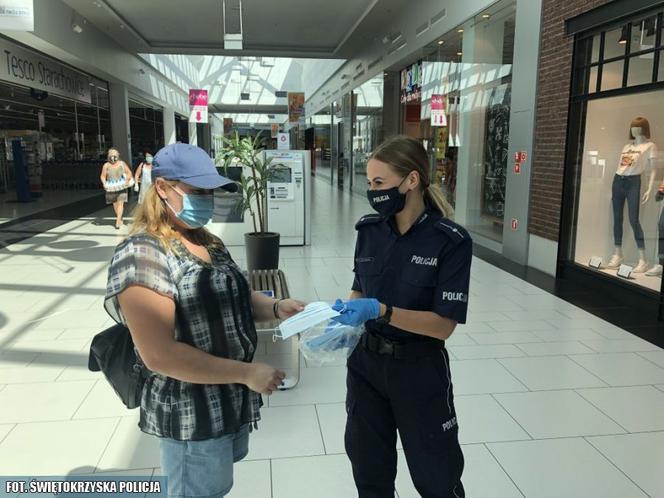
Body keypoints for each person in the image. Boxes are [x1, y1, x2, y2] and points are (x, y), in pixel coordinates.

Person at [103, 143, 305, 498]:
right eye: (198, 192)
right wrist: (246, 372)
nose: (207, 201)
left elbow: (235, 297)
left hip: (227, 399)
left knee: (216, 485)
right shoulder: (142, 254)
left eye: (211, 192)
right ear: (162, 187)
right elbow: (160, 355)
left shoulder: (206, 241)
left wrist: (276, 308)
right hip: (190, 411)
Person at [332, 135, 472, 498]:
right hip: (365, 367)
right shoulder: (369, 230)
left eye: (379, 183)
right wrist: (347, 319)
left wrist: (383, 311)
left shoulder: (450, 241)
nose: (372, 191)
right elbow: (360, 288)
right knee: (369, 471)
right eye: (369, 183)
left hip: (419, 371)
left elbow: (444, 325)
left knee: (436, 476)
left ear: (411, 180)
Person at [100, 148, 133, 229]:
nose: (113, 158)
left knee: (120, 203)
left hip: (121, 186)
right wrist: (104, 183)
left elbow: (129, 173)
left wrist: (127, 179)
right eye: (111, 156)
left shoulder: (122, 164)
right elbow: (103, 176)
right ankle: (120, 217)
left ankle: (118, 221)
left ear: (118, 156)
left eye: (114, 156)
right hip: (111, 187)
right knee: (115, 204)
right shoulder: (106, 165)